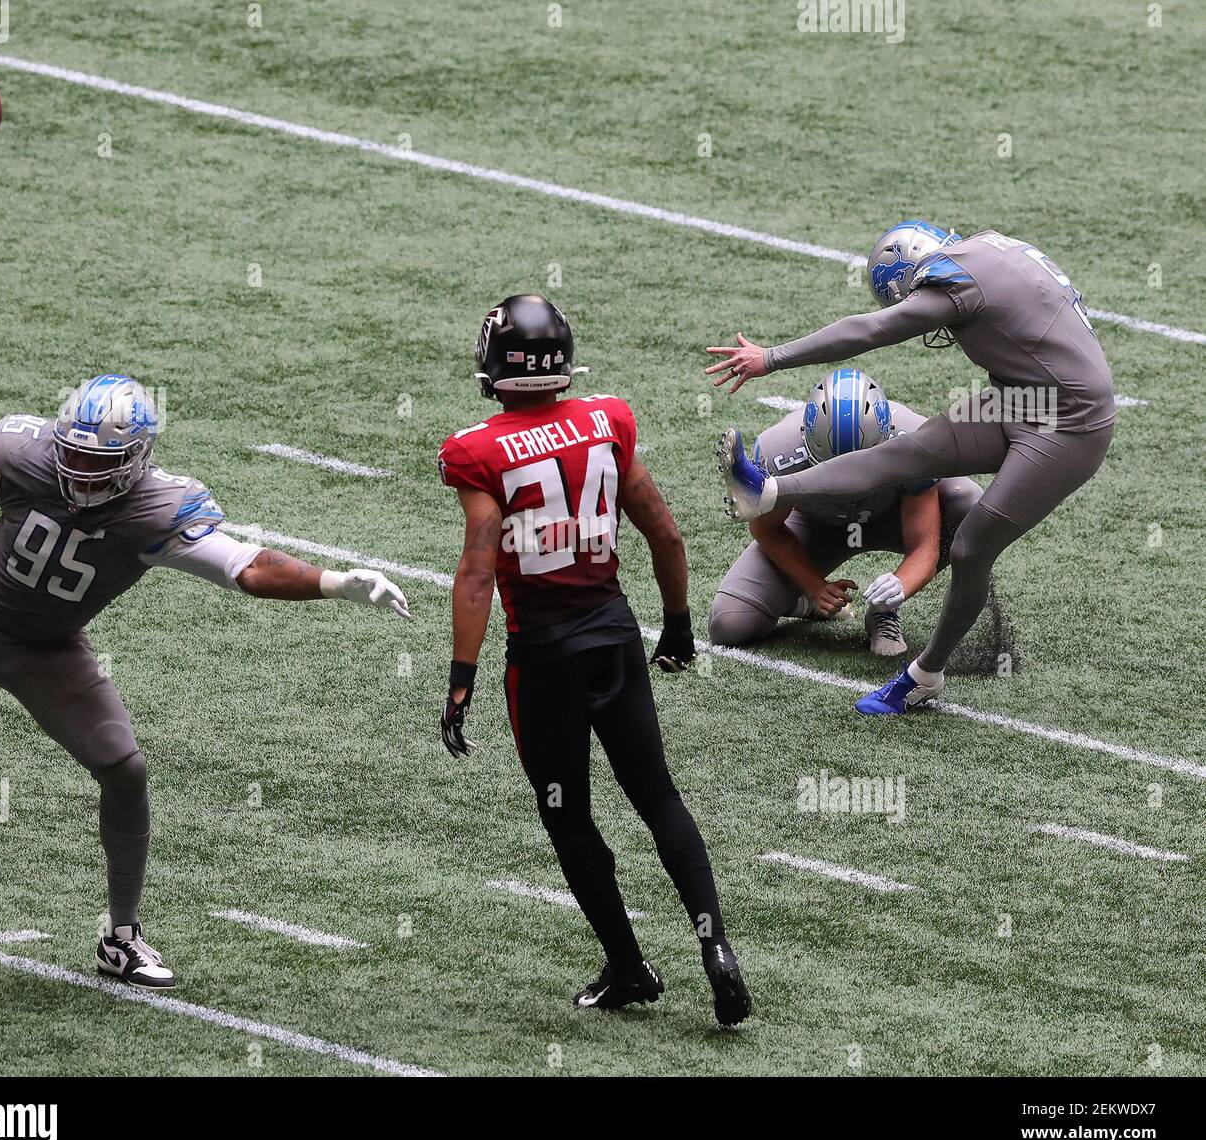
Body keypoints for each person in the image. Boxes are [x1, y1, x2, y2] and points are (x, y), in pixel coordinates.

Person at [0, 375, 410, 988]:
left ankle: (121, 937)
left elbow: (246, 568)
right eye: (75, 455)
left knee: (125, 769)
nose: (82, 472)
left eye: (100, 461)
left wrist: (332, 582)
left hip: (51, 648)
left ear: (137, 458)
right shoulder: (24, 454)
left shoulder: (158, 509)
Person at [438, 295, 750, 1025]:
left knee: (568, 816)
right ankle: (716, 948)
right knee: (658, 796)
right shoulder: (606, 419)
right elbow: (664, 533)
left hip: (544, 658)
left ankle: (629, 963)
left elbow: (479, 571)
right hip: (614, 636)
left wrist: (460, 681)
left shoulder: (478, 450)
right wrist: (676, 624)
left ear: (496, 367)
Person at [708, 222, 1115, 714]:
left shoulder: (955, 286)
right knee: (908, 452)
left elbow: (869, 330)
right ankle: (770, 490)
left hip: (1067, 424)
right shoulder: (985, 248)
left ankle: (926, 674)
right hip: (1025, 395)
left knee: (969, 545)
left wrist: (770, 358)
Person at [709, 367, 983, 657]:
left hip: (893, 517)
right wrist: (814, 586)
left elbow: (924, 546)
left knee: (966, 501)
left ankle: (883, 612)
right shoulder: (779, 449)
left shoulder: (914, 438)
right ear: (805, 438)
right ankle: (796, 599)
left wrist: (898, 588)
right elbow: (766, 528)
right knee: (730, 623)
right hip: (816, 525)